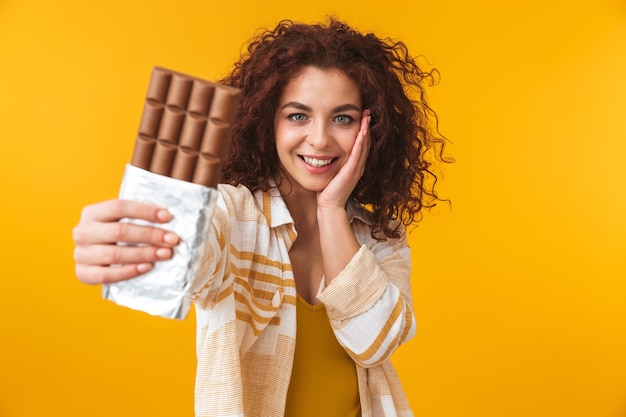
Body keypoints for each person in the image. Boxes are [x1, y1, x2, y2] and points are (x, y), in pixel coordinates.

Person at [73, 18, 448, 417]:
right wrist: (137, 244)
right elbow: (199, 251)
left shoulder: (380, 236)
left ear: (370, 129)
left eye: (342, 118)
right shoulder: (233, 214)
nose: (319, 139)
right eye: (297, 116)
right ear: (266, 121)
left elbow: (375, 341)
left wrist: (331, 209)